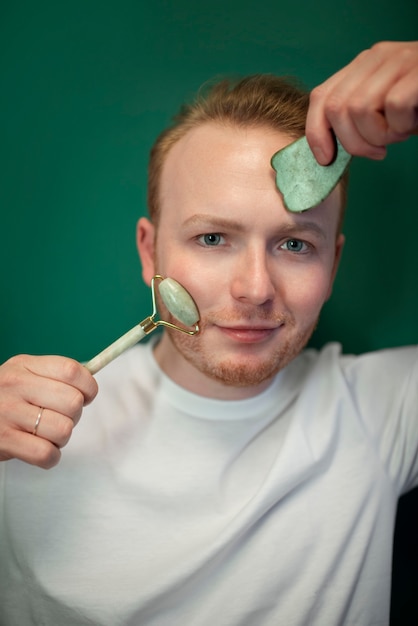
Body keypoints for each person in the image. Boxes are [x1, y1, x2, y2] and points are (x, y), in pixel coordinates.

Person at [0, 41, 416, 625]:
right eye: (213, 239)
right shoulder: (20, 429)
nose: (254, 289)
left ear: (334, 267)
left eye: (295, 245)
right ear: (150, 251)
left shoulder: (383, 410)